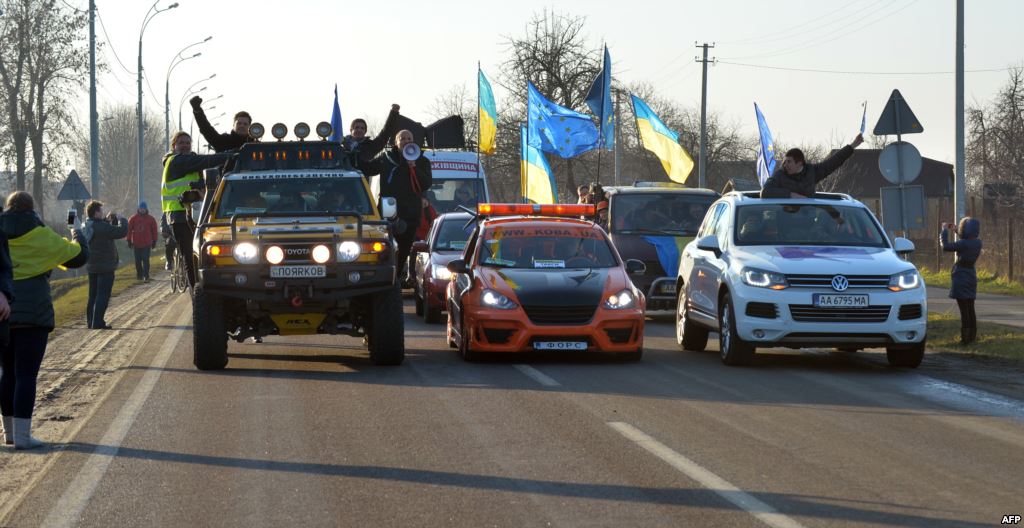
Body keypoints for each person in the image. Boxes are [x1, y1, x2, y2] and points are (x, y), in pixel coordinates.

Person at [0, 191, 88, 449]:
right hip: (34, 314)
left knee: (7, 373)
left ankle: (9, 433)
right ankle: (23, 437)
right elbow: (79, 256)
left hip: (3, 311)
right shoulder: (42, 235)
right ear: (32, 209)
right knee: (26, 374)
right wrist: (76, 230)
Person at [162, 131, 235, 288]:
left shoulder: (190, 161)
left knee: (201, 255)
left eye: (188, 142)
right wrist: (231, 155)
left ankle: (204, 289)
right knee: (190, 257)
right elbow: (206, 160)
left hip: (194, 214)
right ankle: (196, 293)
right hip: (180, 216)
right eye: (181, 143)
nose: (185, 145)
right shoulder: (176, 161)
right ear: (174, 146)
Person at [358, 129, 433, 281]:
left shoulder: (422, 161)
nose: (406, 141)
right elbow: (368, 169)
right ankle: (385, 277)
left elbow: (426, 184)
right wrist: (357, 153)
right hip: (388, 212)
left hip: (410, 214)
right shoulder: (387, 158)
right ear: (396, 142)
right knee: (387, 247)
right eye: (402, 138)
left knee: (404, 248)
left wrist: (414, 167)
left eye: (409, 138)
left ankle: (396, 278)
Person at [760, 133, 864, 198]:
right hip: (784, 219)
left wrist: (853, 145)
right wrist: (791, 195)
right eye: (785, 161)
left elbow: (833, 162)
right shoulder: (779, 175)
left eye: (789, 162)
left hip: (808, 219)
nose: (785, 165)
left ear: (799, 163)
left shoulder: (812, 172)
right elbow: (765, 192)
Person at [83, 200, 127, 330]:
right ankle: (98, 322)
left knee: (92, 296)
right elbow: (121, 232)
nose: (102, 213)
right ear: (96, 213)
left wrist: (106, 221)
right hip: (105, 266)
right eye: (101, 211)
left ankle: (91, 321)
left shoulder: (87, 225)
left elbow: (99, 230)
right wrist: (122, 219)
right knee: (103, 295)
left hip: (92, 265)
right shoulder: (103, 227)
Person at [940, 217, 983, 345]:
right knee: (970, 308)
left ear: (965, 229)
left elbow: (946, 247)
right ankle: (972, 337)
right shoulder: (978, 242)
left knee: (964, 310)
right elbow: (966, 241)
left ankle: (965, 339)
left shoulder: (963, 244)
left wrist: (944, 231)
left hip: (961, 276)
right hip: (971, 276)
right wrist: (956, 231)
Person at [127, 201, 158, 283]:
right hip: (136, 243)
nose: (142, 210)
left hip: (147, 243)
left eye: (144, 209)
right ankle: (139, 275)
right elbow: (129, 230)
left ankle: (146, 275)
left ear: (146, 209)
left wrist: (154, 240)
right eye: (141, 208)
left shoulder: (151, 219)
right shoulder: (133, 219)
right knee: (137, 261)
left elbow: (154, 230)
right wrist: (129, 240)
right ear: (138, 209)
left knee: (145, 260)